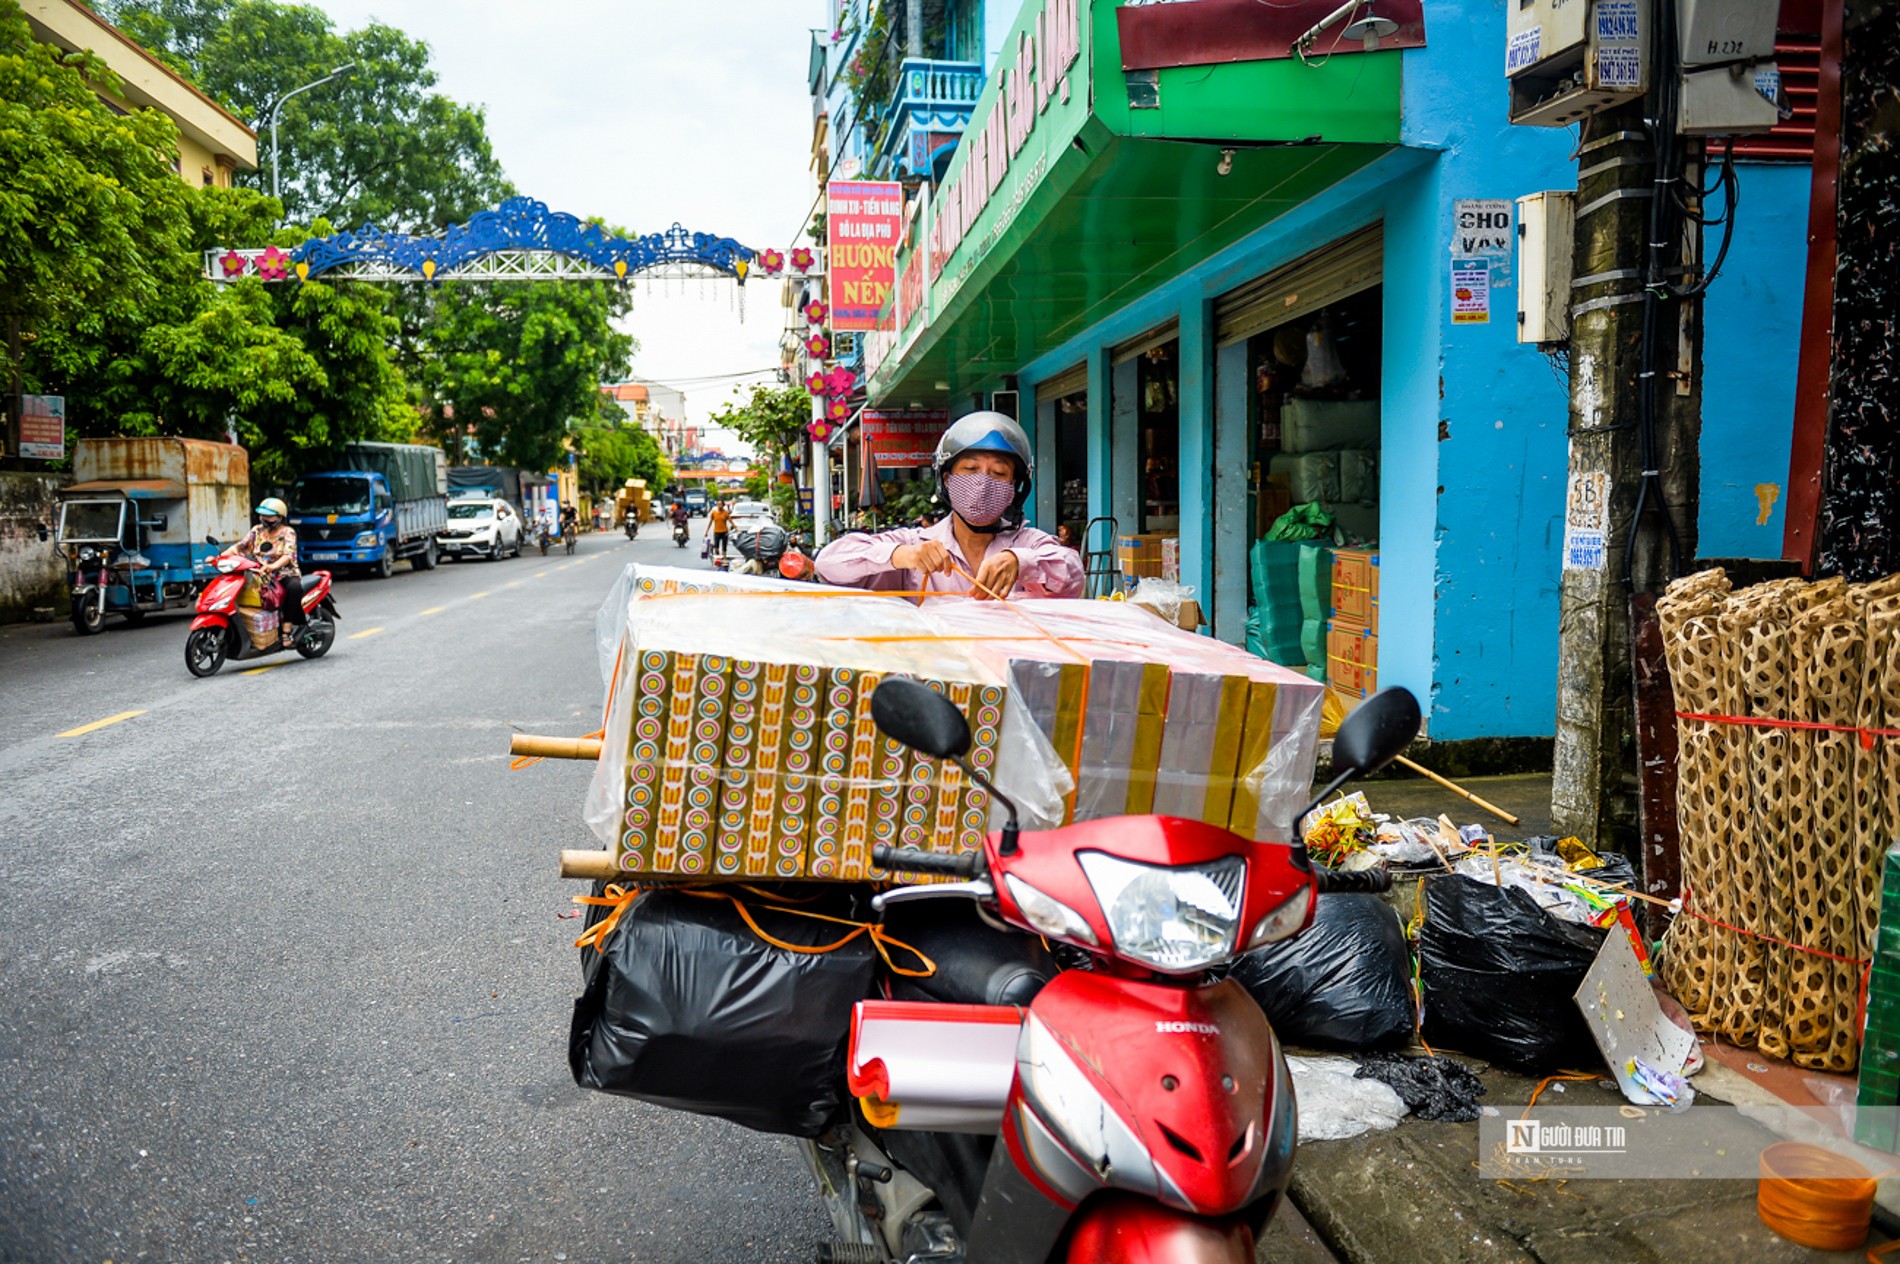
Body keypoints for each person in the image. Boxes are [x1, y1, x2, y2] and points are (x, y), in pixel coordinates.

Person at [816, 412, 1082, 601]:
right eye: (970, 469)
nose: (983, 482)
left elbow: (1074, 575)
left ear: (1015, 487)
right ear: (946, 479)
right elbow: (828, 564)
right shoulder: (914, 542)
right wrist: (903, 556)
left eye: (999, 473)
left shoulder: (1030, 544)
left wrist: (1021, 562)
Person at [224, 497, 305, 643]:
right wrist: (221, 557)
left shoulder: (288, 532)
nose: (264, 519)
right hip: (258, 573)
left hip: (283, 574)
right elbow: (240, 546)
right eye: (262, 515)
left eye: (269, 516)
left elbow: (288, 555)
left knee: (294, 588)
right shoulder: (257, 531)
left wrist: (272, 567)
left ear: (279, 517)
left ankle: (287, 628)